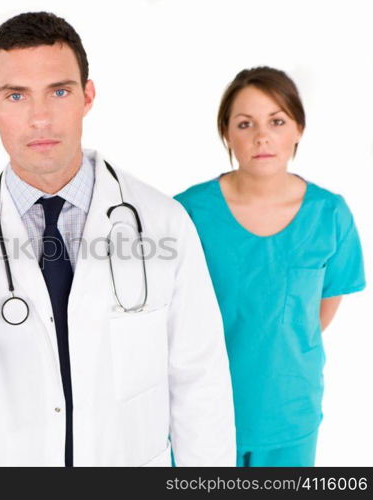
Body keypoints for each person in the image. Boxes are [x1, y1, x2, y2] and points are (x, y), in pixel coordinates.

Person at [0, 12, 235, 466]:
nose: (39, 118)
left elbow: (201, 383)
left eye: (59, 91)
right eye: (17, 95)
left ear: (88, 96)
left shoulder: (162, 222)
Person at [174, 67, 366, 467]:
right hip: (202, 413)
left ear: (298, 128)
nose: (262, 136)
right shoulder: (188, 213)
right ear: (226, 133)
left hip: (289, 413)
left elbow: (320, 310)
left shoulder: (329, 214)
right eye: (246, 124)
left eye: (276, 121)